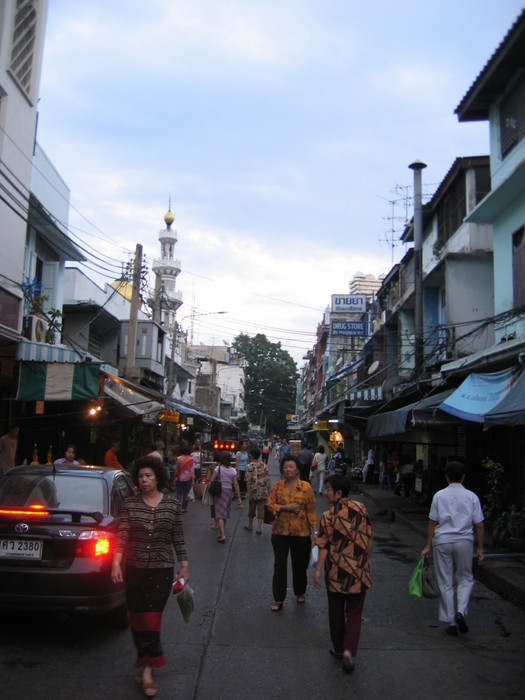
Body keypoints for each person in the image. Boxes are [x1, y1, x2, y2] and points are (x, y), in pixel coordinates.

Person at [111, 455, 190, 698]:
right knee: (136, 619)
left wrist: (184, 565)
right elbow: (122, 535)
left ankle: (147, 669)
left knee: (151, 619)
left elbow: (178, 537)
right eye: (141, 477)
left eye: (149, 476)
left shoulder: (171, 505)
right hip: (134, 568)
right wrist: (116, 561)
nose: (144, 480)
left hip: (161, 569)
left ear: (157, 478)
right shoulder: (130, 505)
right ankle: (144, 659)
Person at [313, 473, 373, 673]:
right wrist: (366, 561)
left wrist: (318, 570)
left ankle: (339, 649)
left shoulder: (328, 516)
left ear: (338, 493)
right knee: (355, 613)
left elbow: (323, 546)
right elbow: (369, 538)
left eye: (328, 489)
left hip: (336, 572)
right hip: (359, 570)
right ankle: (349, 651)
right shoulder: (361, 508)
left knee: (336, 612)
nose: (326, 493)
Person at [420, 461, 485, 636]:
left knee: (445, 581)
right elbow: (479, 525)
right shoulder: (471, 497)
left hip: (442, 541)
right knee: (465, 578)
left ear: (446, 477)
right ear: (463, 477)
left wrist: (427, 546)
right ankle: (460, 611)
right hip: (464, 540)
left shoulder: (439, 496)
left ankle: (451, 622)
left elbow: (433, 522)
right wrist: (480, 548)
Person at [267, 454, 318, 611]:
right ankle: (279, 599)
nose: (288, 469)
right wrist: (285, 508)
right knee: (279, 566)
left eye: (291, 467)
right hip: (280, 532)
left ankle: (300, 592)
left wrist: (315, 532)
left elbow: (311, 511)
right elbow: (270, 504)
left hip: (301, 534)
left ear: (297, 470)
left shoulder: (306, 487)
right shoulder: (277, 486)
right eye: (285, 467)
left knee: (299, 565)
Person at [208, 450, 243, 543]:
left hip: (219, 491)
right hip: (229, 492)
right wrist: (239, 497)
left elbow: (211, 480)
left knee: (219, 513)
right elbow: (235, 484)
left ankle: (222, 535)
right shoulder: (233, 470)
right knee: (225, 513)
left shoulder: (218, 469)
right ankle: (221, 533)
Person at [244, 447, 271, 534]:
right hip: (263, 491)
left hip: (253, 491)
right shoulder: (264, 466)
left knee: (251, 509)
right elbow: (267, 480)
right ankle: (259, 528)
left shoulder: (249, 466)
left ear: (251, 455)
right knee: (261, 509)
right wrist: (269, 491)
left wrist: (248, 492)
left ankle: (250, 525)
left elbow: (248, 480)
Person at [173, 444, 195, 513]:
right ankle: (184, 508)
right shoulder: (191, 459)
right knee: (186, 493)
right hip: (188, 478)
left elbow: (177, 469)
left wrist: (175, 477)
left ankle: (178, 507)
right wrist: (193, 479)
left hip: (180, 478)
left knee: (179, 493)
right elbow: (192, 470)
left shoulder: (179, 458)